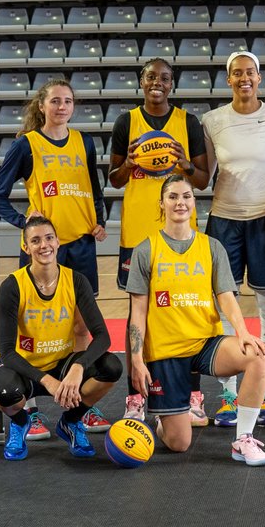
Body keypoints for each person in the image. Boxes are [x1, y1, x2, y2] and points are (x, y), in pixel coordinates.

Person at [127, 174, 265, 466]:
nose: (180, 202)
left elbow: (226, 296)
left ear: (194, 203)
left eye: (186, 196)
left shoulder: (211, 246)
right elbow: (138, 312)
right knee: (179, 444)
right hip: (166, 352)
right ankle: (164, 422)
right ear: (162, 204)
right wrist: (137, 359)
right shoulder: (146, 249)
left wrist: (243, 331)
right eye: (173, 197)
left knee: (257, 355)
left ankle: (243, 439)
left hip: (205, 342)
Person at [0, 77, 111, 438]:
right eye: (56, 101)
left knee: (80, 327)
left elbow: (93, 188)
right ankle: (29, 412)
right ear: (42, 106)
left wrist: (100, 220)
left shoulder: (84, 142)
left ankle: (76, 404)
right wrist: (20, 221)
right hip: (41, 250)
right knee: (28, 327)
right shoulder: (27, 144)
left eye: (68, 102)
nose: (62, 107)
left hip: (79, 246)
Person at [107, 58, 210, 426]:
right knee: (139, 315)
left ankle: (193, 396)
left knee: (186, 312)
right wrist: (130, 163)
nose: (157, 83)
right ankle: (135, 398)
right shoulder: (126, 122)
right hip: (138, 235)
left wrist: (184, 165)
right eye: (151, 77)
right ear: (141, 81)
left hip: (182, 236)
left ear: (172, 84)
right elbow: (115, 179)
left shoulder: (188, 122)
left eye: (164, 78)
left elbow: (201, 181)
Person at [201, 51, 265, 427]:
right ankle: (227, 394)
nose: (244, 78)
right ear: (228, 79)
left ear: (259, 78)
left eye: (250, 72)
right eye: (237, 73)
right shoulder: (212, 121)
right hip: (223, 222)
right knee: (223, 311)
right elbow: (201, 176)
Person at [0, 215, 121, 461]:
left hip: (62, 364)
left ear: (58, 242)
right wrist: (47, 382)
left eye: (49, 238)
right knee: (4, 391)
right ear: (26, 247)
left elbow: (102, 336)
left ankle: (70, 423)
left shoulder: (75, 280)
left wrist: (78, 368)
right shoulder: (13, 286)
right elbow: (7, 351)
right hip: (24, 367)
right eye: (36, 240)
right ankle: (20, 423)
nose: (44, 245)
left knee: (111, 367)